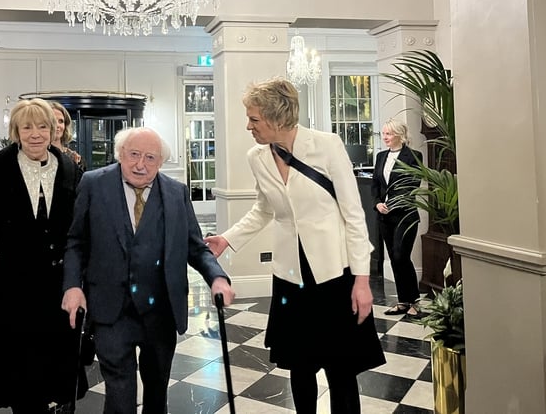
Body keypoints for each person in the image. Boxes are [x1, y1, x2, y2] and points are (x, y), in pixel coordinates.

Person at [204, 77, 385, 414]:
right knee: (300, 367)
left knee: (341, 369)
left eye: (254, 119)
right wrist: (228, 238)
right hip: (290, 276)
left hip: (335, 273)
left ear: (277, 117)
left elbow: (353, 215)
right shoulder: (257, 157)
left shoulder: (326, 145)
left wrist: (362, 281)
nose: (248, 126)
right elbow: (264, 209)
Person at [60, 126, 235, 414]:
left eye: (151, 158)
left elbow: (195, 246)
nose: (141, 164)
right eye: (134, 155)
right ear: (120, 155)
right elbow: (76, 241)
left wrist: (216, 277)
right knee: (119, 391)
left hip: (161, 310)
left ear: (161, 162)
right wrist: (72, 286)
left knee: (156, 389)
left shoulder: (176, 193)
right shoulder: (93, 184)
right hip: (110, 309)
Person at [0, 98, 85, 414]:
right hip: (13, 281)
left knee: (54, 358)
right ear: (16, 131)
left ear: (53, 129)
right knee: (18, 358)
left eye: (42, 126)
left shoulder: (70, 168)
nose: (36, 134)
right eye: (27, 127)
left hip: (57, 280)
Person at [372, 118, 422, 317]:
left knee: (402, 256)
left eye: (389, 134)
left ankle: (414, 301)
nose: (385, 137)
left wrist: (393, 204)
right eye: (384, 133)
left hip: (405, 216)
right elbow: (376, 184)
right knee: (393, 258)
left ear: (400, 135)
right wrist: (377, 203)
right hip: (385, 217)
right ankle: (403, 301)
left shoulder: (414, 156)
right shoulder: (380, 157)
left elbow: (413, 185)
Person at [50, 101, 86, 171]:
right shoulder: (36, 157)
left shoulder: (77, 159)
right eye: (52, 121)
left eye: (61, 121)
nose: (57, 125)